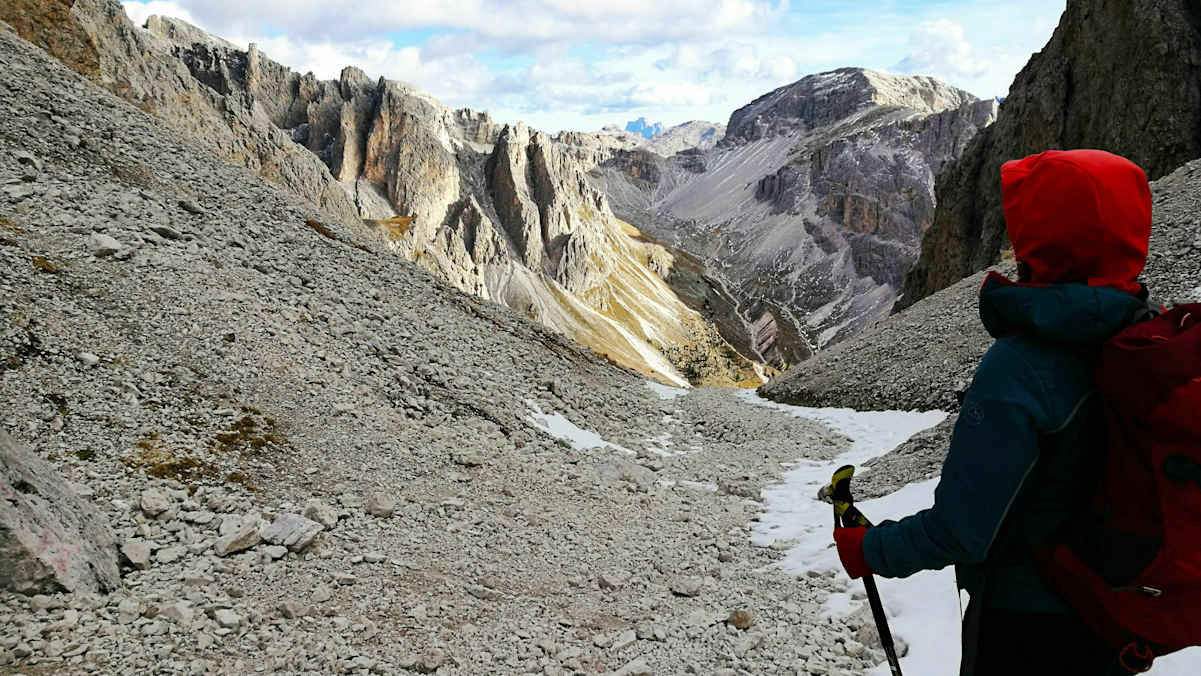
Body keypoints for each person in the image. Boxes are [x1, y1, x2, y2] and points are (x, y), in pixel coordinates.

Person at [833, 149, 1158, 676]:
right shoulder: (1147, 335)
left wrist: (869, 548)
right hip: (1119, 618)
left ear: (1043, 237)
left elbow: (961, 529)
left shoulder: (1023, 365)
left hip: (1029, 627)